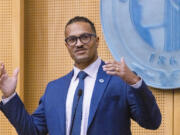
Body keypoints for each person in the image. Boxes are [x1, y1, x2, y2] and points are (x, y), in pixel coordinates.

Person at [0, 16, 161, 135]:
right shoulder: (54, 89)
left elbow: (152, 122)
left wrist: (134, 81)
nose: (78, 43)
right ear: (66, 45)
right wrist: (10, 96)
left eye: (85, 37)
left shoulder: (120, 80)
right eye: (72, 39)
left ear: (97, 41)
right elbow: (32, 132)